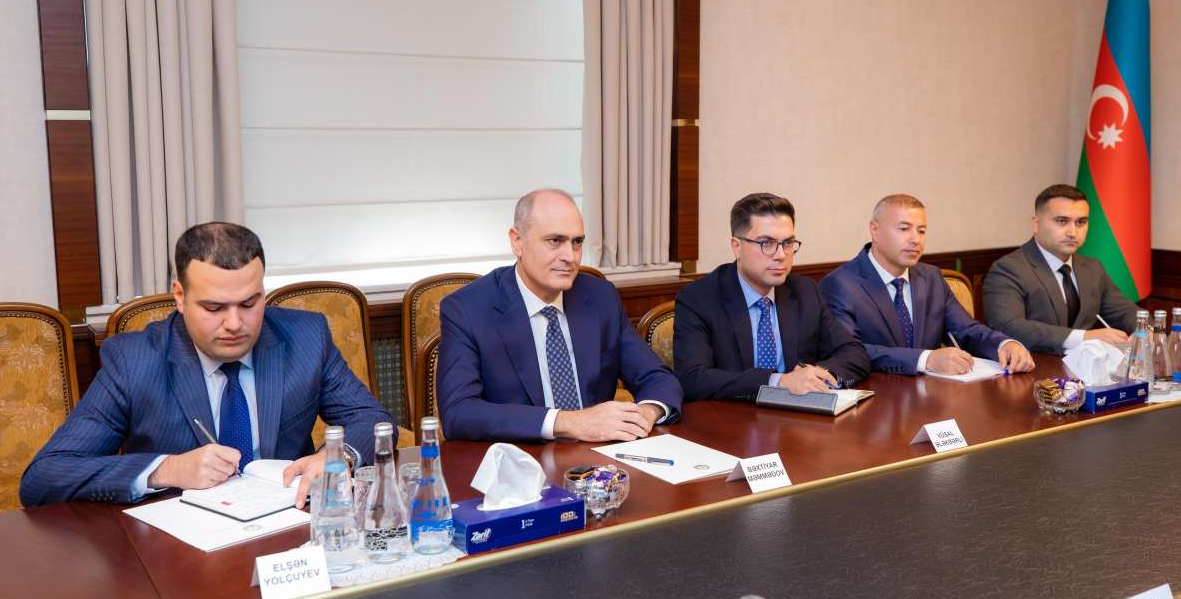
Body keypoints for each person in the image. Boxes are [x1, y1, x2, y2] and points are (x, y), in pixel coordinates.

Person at [20, 222, 391, 508]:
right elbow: (45, 476)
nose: (234, 323)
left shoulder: (306, 338)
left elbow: (371, 420)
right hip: (180, 545)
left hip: (285, 532)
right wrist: (165, 469)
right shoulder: (135, 360)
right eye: (214, 307)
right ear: (180, 296)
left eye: (249, 304)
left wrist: (338, 455)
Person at [437, 189, 682, 441]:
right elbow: (458, 412)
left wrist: (645, 414)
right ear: (517, 241)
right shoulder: (468, 309)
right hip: (521, 456)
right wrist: (568, 422)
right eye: (555, 241)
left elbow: (657, 378)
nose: (570, 257)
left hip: (598, 455)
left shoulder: (600, 297)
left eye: (577, 242)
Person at [674, 193, 870, 400]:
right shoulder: (699, 299)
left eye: (788, 243)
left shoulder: (805, 291)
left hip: (800, 413)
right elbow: (692, 378)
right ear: (737, 247)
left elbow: (854, 352)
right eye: (766, 243)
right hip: (734, 414)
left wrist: (820, 376)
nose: (781, 255)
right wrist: (778, 381)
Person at [820, 194, 1034, 375]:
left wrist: (1005, 344)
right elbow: (850, 351)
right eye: (904, 229)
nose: (916, 239)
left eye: (921, 231)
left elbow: (966, 329)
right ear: (875, 230)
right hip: (877, 397)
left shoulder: (931, 277)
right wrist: (925, 359)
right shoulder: (840, 284)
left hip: (932, 395)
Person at [982, 184, 1139, 355]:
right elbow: (1008, 326)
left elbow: (1126, 312)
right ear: (1036, 224)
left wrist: (1145, 331)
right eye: (1062, 221)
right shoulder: (1008, 269)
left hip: (1086, 367)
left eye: (1081, 222)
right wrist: (1083, 337)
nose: (1073, 232)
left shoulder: (1092, 268)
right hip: (1036, 366)